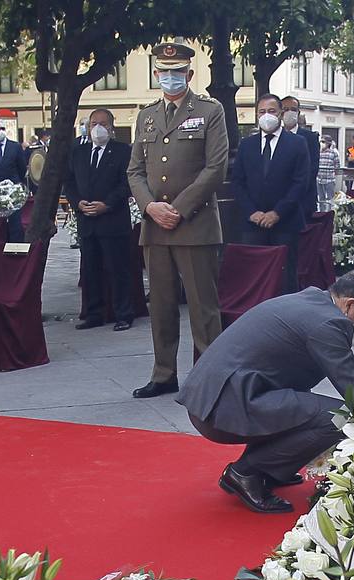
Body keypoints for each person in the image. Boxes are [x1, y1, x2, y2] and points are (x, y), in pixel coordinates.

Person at [179, 270, 354, 514]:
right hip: (224, 407)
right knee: (339, 419)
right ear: (350, 304)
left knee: (309, 409)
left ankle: (270, 469)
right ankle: (246, 472)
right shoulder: (328, 323)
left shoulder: (313, 300)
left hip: (215, 396)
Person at [127, 41, 228, 399]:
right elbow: (135, 171)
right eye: (163, 72)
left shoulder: (209, 110)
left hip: (195, 224)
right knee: (162, 304)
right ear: (156, 74)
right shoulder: (147, 115)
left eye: (177, 72)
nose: (170, 77)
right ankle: (164, 372)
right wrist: (150, 207)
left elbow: (216, 167)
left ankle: (209, 377)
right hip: (155, 227)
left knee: (203, 307)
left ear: (189, 73)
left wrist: (179, 208)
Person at [233, 93, 312, 293]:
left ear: (280, 114)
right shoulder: (246, 145)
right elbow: (238, 182)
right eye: (262, 112)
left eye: (271, 111)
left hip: (285, 222)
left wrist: (277, 213)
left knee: (286, 278)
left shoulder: (297, 143)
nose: (266, 116)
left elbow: (300, 183)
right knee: (254, 276)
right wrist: (252, 212)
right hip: (253, 224)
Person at [65, 107, 134, 331]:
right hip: (87, 222)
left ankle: (123, 313)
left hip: (113, 222)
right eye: (94, 123)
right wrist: (78, 203)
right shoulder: (78, 152)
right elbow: (70, 183)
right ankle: (94, 313)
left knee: (117, 269)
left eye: (103, 124)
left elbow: (127, 184)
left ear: (111, 127)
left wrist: (107, 204)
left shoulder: (123, 151)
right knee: (90, 270)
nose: (98, 128)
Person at [0, 120, 28, 241]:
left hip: (12, 190)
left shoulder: (15, 147)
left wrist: (16, 183)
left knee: (15, 222)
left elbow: (22, 167)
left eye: (3, 128)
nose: (1, 131)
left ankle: (15, 247)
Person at [280, 96, 321, 220]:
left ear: (298, 113)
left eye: (293, 109)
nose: (289, 112)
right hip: (278, 202)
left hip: (303, 201)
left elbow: (312, 169)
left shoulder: (310, 138)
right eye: (285, 109)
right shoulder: (274, 137)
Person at [317, 136, 341, 211]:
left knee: (331, 199)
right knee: (321, 199)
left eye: (323, 142)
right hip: (319, 179)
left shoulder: (333, 153)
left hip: (329, 180)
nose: (322, 144)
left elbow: (337, 166)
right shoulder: (318, 152)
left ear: (328, 143)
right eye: (321, 142)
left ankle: (331, 214)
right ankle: (322, 214)